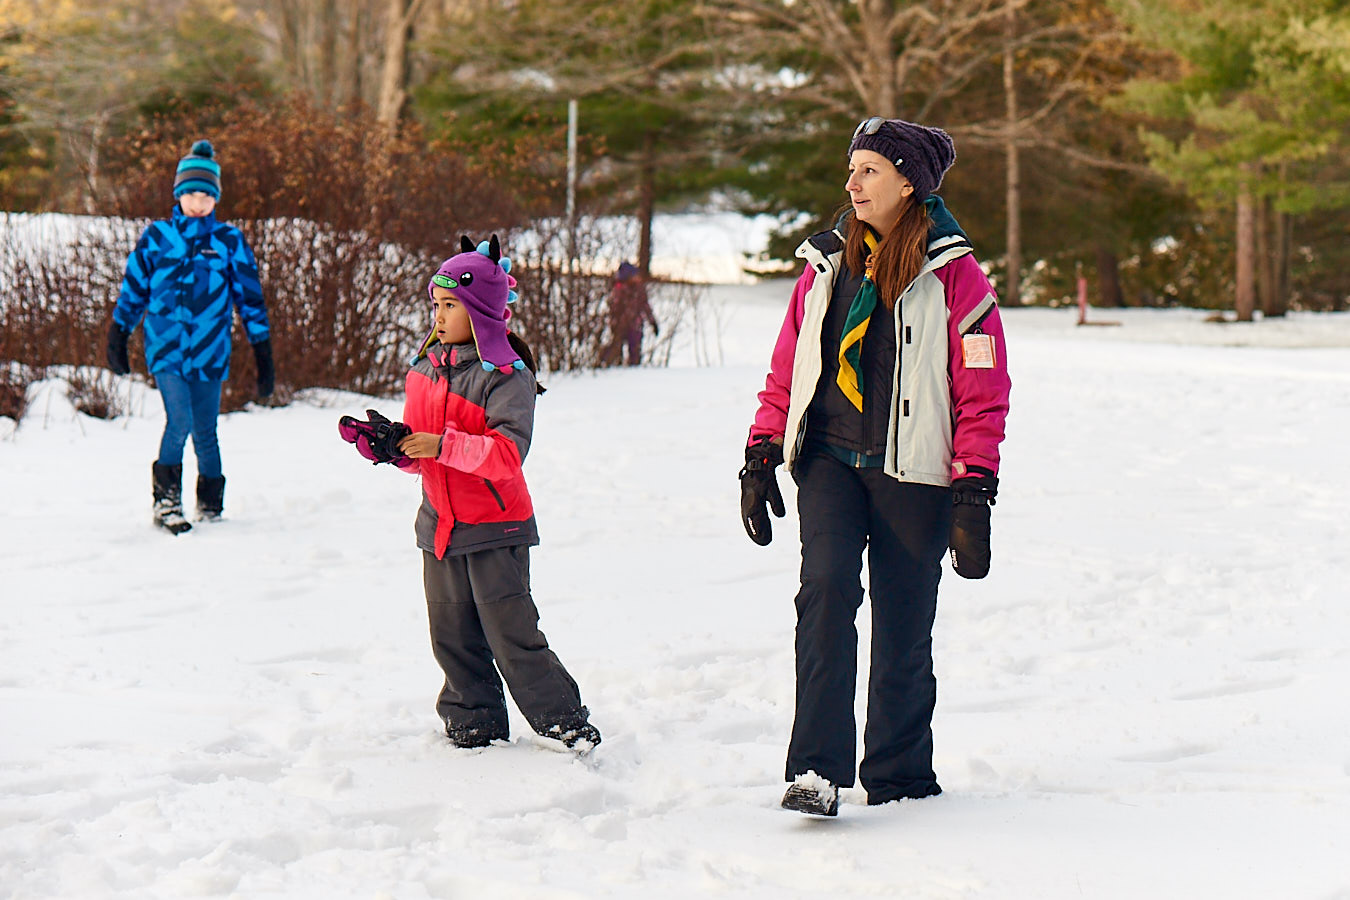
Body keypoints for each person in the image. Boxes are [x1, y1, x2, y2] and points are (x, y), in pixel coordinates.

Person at [740, 116, 1011, 816]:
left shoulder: (953, 275)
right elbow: (788, 365)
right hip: (830, 458)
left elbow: (982, 391)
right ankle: (816, 770)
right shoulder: (825, 264)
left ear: (908, 183)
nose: (852, 183)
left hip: (913, 473)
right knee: (825, 594)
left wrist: (973, 491)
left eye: (869, 170)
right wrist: (761, 451)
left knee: (903, 622)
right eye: (852, 169)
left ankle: (899, 776)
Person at [337, 235, 601, 752]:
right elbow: (424, 454)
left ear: (480, 310)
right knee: (451, 635)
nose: (438, 315)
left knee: (511, 635)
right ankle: (472, 722)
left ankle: (564, 722)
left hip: (495, 527)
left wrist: (441, 443)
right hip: (439, 526)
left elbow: (506, 455)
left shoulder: (505, 377)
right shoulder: (424, 370)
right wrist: (393, 449)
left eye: (451, 305)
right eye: (435, 304)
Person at [107, 139, 274, 535]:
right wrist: (118, 332)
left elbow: (250, 299)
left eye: (206, 196)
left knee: (206, 431)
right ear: (178, 195)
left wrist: (262, 351)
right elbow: (134, 289)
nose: (198, 203)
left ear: (215, 198)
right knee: (179, 419)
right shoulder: (158, 237)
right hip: (166, 348)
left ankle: (211, 506)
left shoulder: (228, 241)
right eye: (191, 195)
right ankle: (166, 504)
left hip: (210, 351)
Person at [604, 260, 657, 366]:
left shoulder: (639, 289)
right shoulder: (619, 288)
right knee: (616, 351)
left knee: (635, 353)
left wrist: (652, 322)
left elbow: (645, 306)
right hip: (620, 325)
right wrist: (614, 322)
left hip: (635, 326)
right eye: (635, 275)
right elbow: (613, 308)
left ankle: (633, 371)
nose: (638, 277)